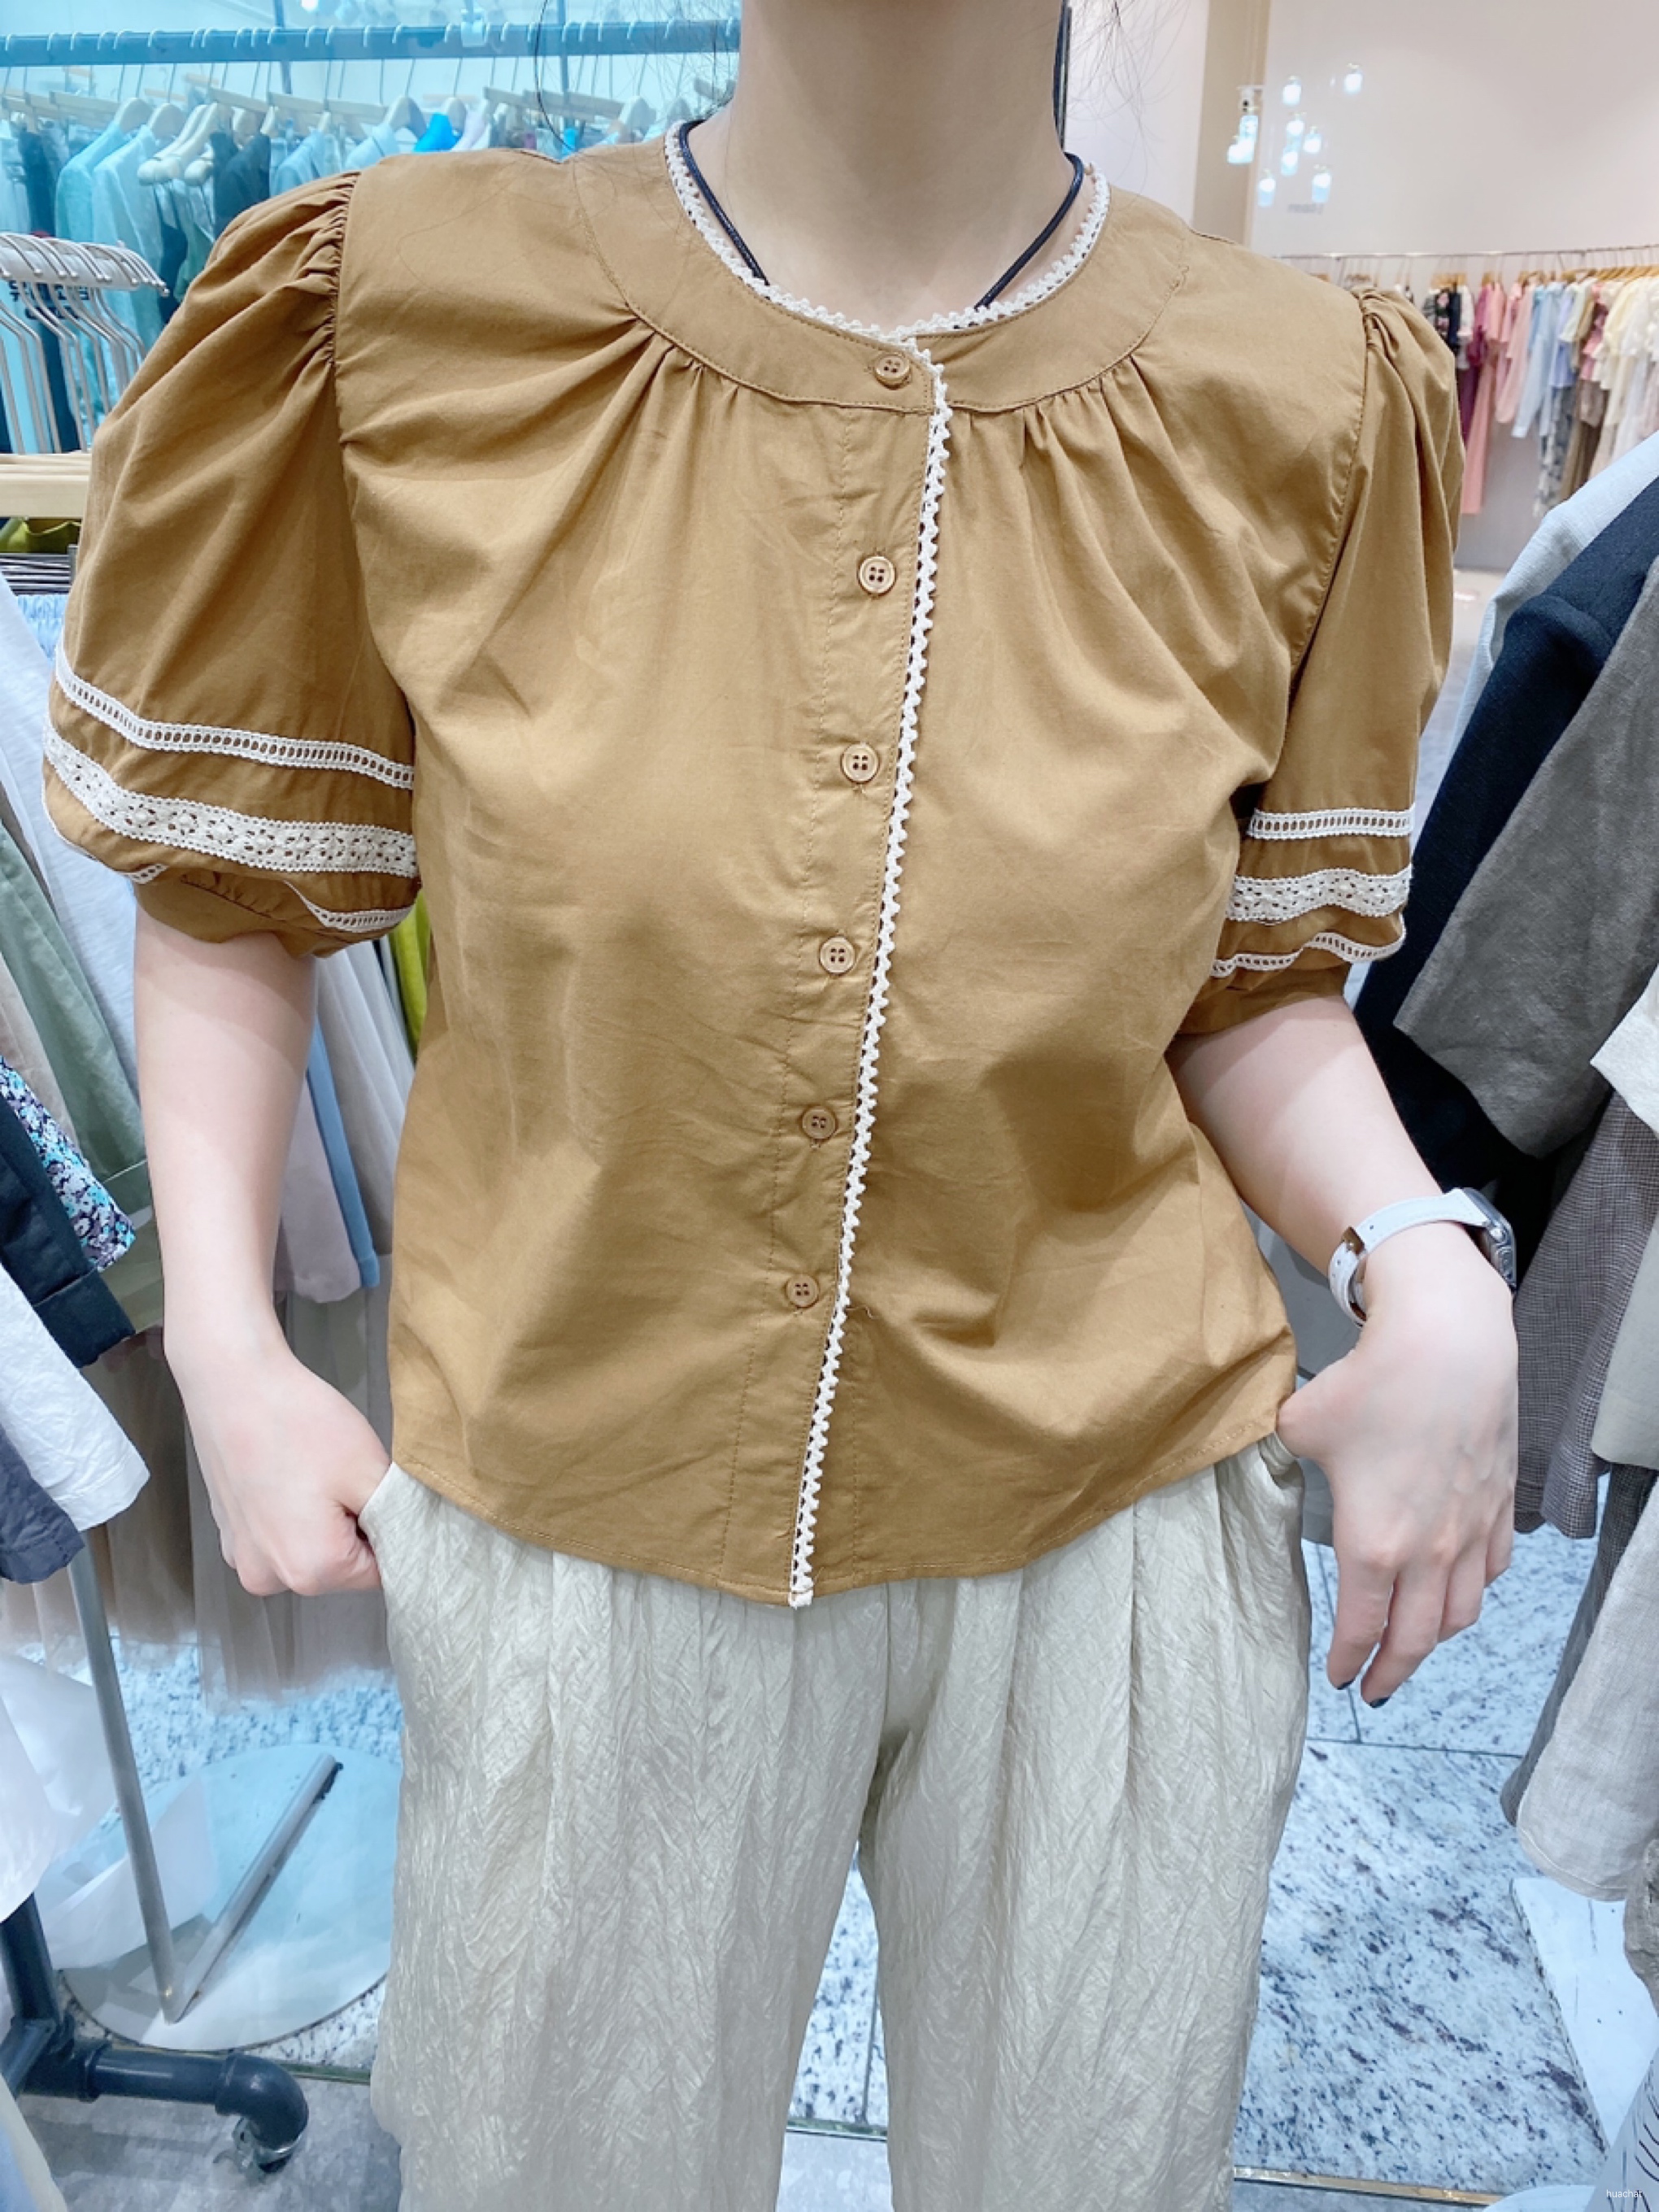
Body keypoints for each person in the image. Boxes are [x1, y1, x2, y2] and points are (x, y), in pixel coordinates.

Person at [43, 2, 1517, 2205]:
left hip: (1113, 1506)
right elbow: (238, 896)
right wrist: (234, 1354)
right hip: (585, 1490)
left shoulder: (1293, 394)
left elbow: (1246, 989)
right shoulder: (409, 313)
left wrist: (1426, 1267)